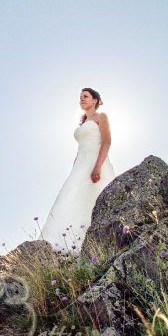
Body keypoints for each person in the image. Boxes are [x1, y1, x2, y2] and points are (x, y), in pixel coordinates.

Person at [40, 87, 116, 255]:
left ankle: (97, 244)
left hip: (96, 163)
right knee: (70, 199)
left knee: (94, 197)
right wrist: (75, 167)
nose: (81, 99)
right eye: (80, 97)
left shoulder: (101, 117)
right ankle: (64, 245)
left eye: (85, 97)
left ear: (95, 100)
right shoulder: (82, 123)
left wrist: (97, 166)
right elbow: (80, 149)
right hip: (80, 166)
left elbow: (107, 142)